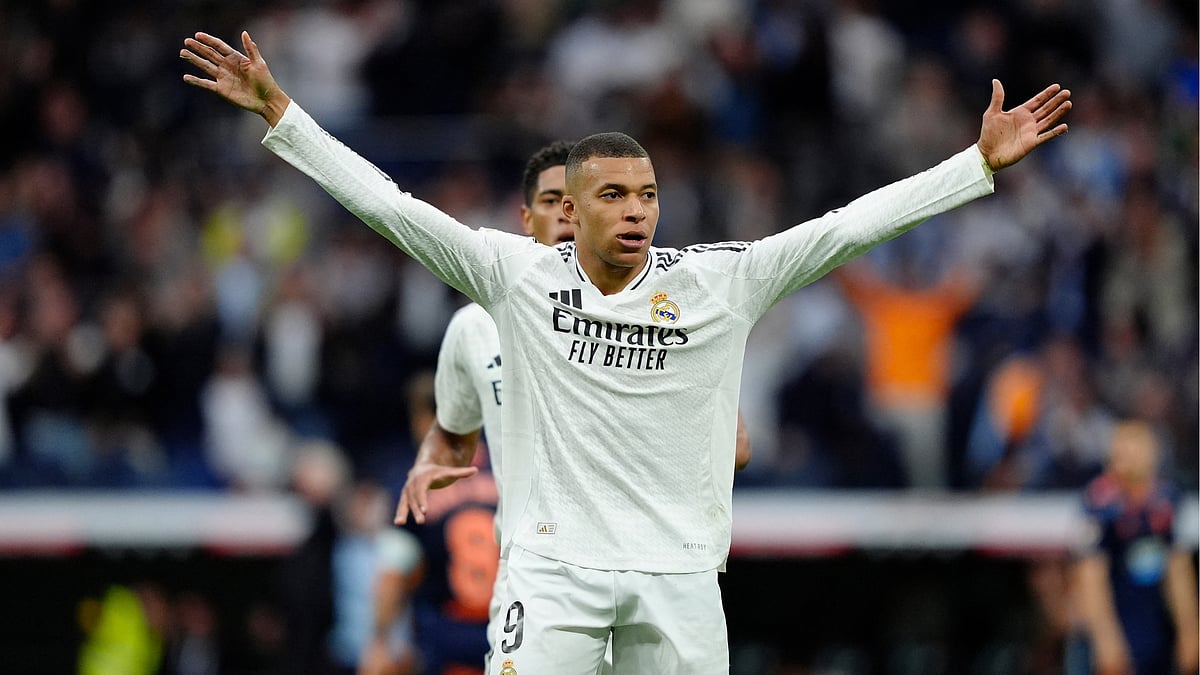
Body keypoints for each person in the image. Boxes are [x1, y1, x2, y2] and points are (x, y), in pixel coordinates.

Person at [181, 30, 1071, 674]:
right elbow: (389, 206)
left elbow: (846, 229)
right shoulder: (516, 277)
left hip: (679, 576)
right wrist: (284, 117)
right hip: (554, 572)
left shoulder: (719, 280)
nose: (638, 208)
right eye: (614, 193)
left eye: (648, 192)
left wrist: (974, 165)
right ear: (574, 203)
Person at [393, 140, 753, 674]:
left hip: (646, 571)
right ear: (532, 216)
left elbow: (734, 443)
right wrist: (429, 459)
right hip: (541, 576)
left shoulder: (653, 318)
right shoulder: (476, 325)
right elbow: (454, 432)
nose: (570, 216)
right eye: (553, 200)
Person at [1070, 420, 1198, 675]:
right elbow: (1091, 575)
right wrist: (1106, 637)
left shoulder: (1166, 500)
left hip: (1156, 622)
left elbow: (1177, 567)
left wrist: (1189, 628)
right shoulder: (1101, 504)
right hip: (1119, 621)